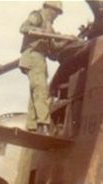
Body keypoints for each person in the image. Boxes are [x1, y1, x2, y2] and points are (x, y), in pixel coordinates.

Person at [19, 1, 65, 134]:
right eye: (55, 12)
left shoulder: (50, 26)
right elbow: (24, 27)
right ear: (47, 8)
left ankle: (32, 125)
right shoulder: (37, 16)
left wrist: (64, 41)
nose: (56, 15)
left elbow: (53, 48)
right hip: (33, 56)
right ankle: (43, 125)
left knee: (36, 89)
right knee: (41, 89)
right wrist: (42, 31)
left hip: (40, 58)